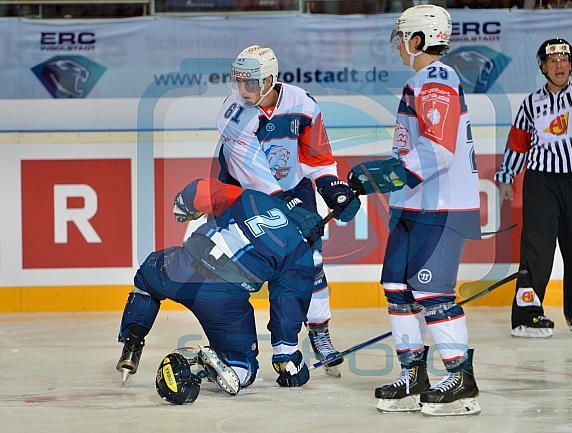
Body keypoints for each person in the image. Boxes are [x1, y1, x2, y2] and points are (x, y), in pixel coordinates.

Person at [347, 5, 481, 416]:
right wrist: (382, 180)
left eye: (403, 36)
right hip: (414, 205)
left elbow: (438, 151)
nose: (400, 45)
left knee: (432, 293)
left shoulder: (436, 77)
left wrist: (378, 178)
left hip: (441, 206)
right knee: (397, 289)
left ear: (418, 39)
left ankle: (461, 377)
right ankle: (414, 373)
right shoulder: (421, 80)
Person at [214, 45, 361, 377]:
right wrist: (290, 207)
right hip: (245, 195)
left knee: (310, 266)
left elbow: (317, 157)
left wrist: (331, 187)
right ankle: (231, 347)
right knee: (234, 271)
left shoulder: (303, 103)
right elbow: (255, 176)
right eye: (238, 82)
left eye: (250, 83)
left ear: (269, 80)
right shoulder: (233, 114)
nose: (242, 90)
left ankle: (319, 334)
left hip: (294, 189)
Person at [116, 177, 325, 400]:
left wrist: (184, 205)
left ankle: (133, 339)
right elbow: (287, 311)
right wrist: (289, 362)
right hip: (222, 299)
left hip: (181, 268)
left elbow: (205, 189)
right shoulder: (300, 252)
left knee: (147, 277)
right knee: (242, 371)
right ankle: (196, 368)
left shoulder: (255, 199)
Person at [494, 38, 572, 339]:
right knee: (537, 251)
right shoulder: (531, 104)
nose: (559, 65)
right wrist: (506, 177)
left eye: (564, 59)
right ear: (542, 67)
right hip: (541, 183)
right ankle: (527, 316)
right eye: (552, 60)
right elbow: (518, 143)